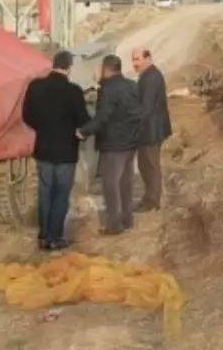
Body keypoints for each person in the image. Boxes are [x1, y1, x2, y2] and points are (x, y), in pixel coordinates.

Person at [21, 50, 90, 250]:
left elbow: (26, 116)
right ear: (69, 67)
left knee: (45, 193)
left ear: (54, 64)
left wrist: (42, 128)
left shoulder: (35, 86)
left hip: (43, 149)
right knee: (61, 195)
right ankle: (56, 237)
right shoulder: (74, 91)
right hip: (67, 151)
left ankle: (43, 236)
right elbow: (83, 121)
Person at [77, 54, 143, 235]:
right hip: (130, 143)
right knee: (125, 184)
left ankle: (114, 225)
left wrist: (82, 132)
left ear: (106, 69)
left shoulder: (109, 90)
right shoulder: (132, 86)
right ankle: (127, 220)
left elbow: (102, 118)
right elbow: (138, 112)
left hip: (113, 145)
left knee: (111, 185)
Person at [132, 48, 172, 212]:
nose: (135, 64)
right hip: (151, 128)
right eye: (133, 60)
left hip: (151, 129)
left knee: (150, 165)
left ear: (148, 58)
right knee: (145, 164)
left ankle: (152, 201)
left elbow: (146, 107)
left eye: (137, 59)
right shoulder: (149, 75)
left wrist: (133, 123)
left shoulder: (151, 77)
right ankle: (150, 198)